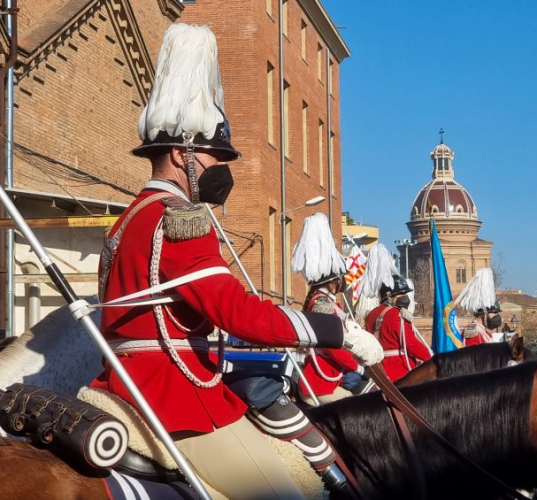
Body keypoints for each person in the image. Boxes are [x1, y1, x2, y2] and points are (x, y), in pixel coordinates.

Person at [92, 24, 382, 499]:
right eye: (212, 154)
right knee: (289, 493)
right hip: (172, 397)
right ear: (180, 152)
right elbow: (238, 315)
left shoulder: (128, 220)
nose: (220, 167)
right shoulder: (178, 220)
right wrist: (341, 332)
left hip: (126, 384)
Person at [292, 213, 365, 405]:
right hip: (318, 383)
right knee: (353, 406)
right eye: (339, 276)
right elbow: (332, 346)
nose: (343, 280)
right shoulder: (322, 305)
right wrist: (356, 367)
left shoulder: (328, 302)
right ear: (332, 281)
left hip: (329, 378)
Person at [362, 244, 433, 382]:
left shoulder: (371, 315)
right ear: (388, 296)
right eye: (400, 294)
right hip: (400, 370)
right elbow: (411, 344)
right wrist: (431, 358)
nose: (404, 297)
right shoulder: (397, 315)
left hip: (378, 371)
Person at [455, 268, 502, 346]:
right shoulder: (472, 331)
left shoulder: (484, 333)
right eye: (494, 313)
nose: (497, 316)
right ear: (483, 314)